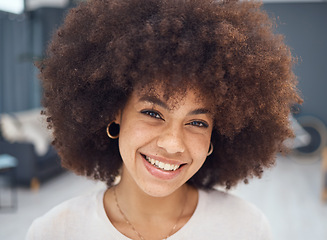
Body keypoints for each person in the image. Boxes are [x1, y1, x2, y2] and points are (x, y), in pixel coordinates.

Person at [26, 0, 302, 239]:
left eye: (197, 123)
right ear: (115, 112)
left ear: (214, 137)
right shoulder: (54, 232)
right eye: (152, 113)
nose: (172, 144)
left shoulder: (246, 229)